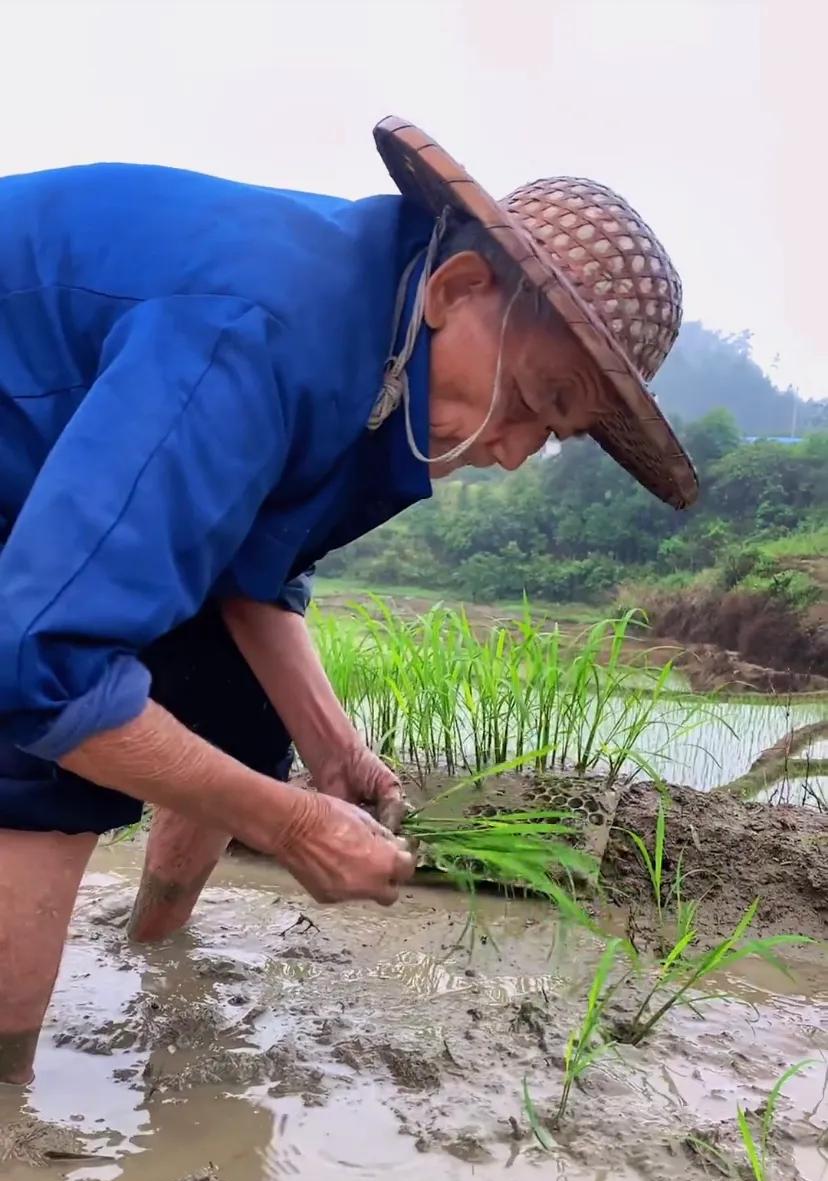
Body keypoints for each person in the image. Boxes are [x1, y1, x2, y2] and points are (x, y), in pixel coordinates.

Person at [0, 117, 697, 1084]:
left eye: (555, 432)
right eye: (536, 398)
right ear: (459, 290)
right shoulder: (259, 335)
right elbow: (44, 669)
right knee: (38, 766)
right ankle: (14, 1126)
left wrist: (334, 754)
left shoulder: (379, 351)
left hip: (59, 466)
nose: (514, 449)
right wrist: (288, 826)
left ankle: (154, 959)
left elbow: (250, 570)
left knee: (237, 708)